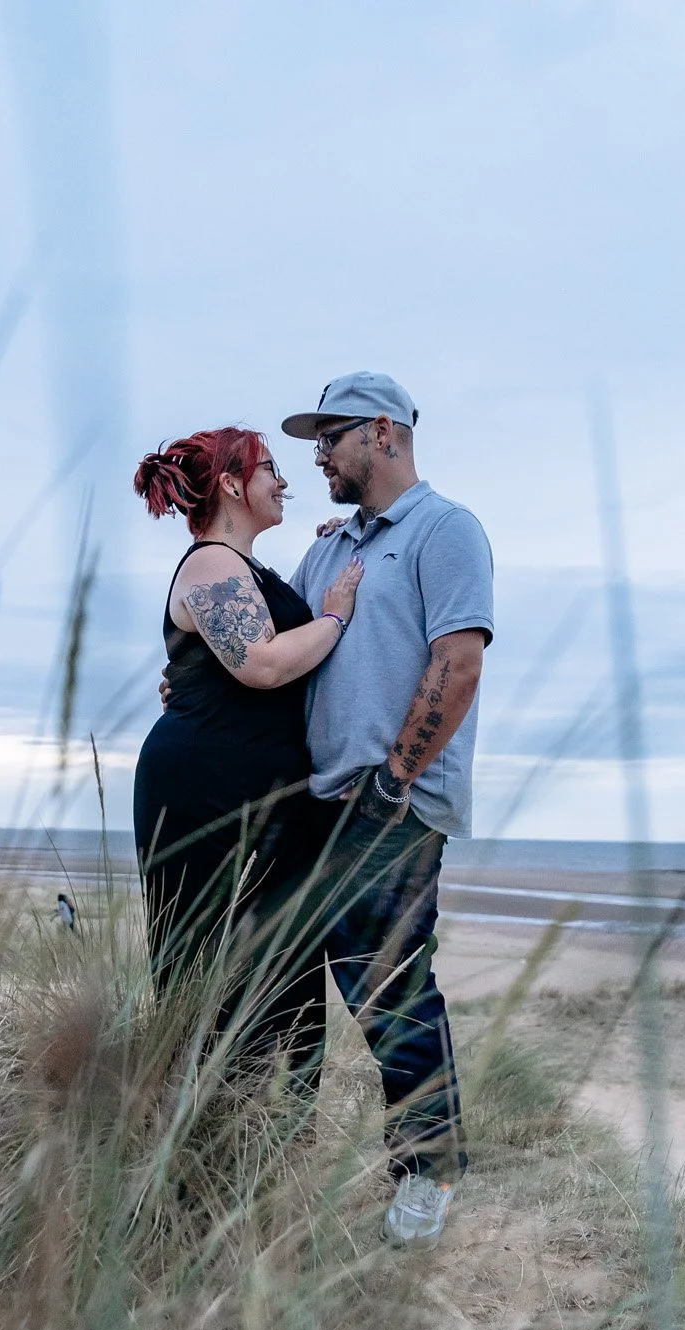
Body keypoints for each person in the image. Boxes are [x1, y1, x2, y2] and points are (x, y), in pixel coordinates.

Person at [280, 372, 493, 1250]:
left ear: (383, 433)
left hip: (391, 806)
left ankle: (428, 1171)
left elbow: (460, 660)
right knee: (297, 988)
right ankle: (275, 1151)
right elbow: (283, 644)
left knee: (392, 992)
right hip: (314, 802)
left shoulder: (446, 530)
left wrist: (393, 778)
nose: (318, 454)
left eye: (330, 436)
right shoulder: (328, 550)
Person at [129, 426, 363, 1080]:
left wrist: (329, 552)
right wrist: (335, 616)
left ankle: (270, 1157)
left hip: (258, 796)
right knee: (217, 975)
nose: (284, 481)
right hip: (206, 793)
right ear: (232, 484)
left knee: (284, 979)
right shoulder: (209, 561)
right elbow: (260, 663)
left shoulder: (248, 570)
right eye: (270, 469)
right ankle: (206, 1153)